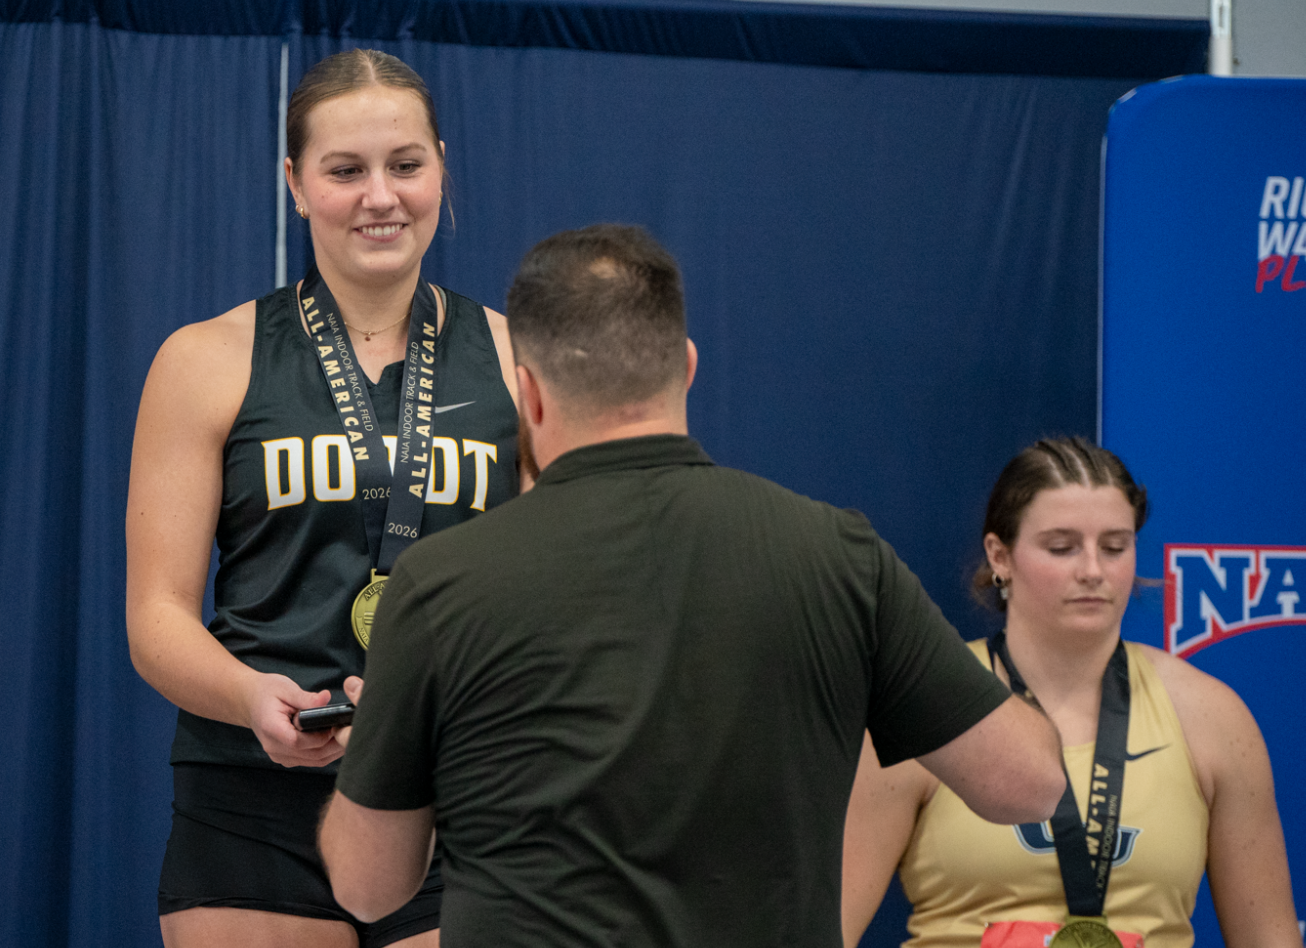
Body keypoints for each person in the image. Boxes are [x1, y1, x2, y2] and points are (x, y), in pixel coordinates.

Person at [317, 223, 1065, 948]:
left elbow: (366, 885)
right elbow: (1028, 783)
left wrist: (385, 740)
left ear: (529, 395)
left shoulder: (440, 585)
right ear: (687, 366)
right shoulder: (839, 557)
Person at [126, 49, 520, 948]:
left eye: (404, 165)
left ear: (440, 168)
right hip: (251, 794)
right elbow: (155, 617)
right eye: (345, 171)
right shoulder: (203, 360)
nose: (380, 197)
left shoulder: (517, 357)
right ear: (296, 184)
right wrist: (249, 697)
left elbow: (557, 602)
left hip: (457, 794)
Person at [842, 438, 1303, 948]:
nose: (1092, 570)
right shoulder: (924, 706)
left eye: (1115, 547)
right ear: (1000, 556)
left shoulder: (1212, 717)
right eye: (1062, 548)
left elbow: (1270, 938)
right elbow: (825, 927)